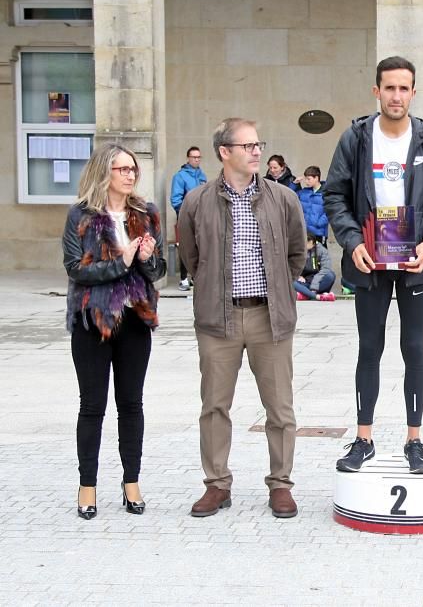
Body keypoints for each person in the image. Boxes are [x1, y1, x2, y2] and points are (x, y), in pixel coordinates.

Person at [324, 56, 423, 473]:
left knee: (413, 347)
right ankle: (363, 439)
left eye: (404, 88)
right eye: (389, 88)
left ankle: (414, 440)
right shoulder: (356, 139)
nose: (396, 96)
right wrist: (351, 243)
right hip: (369, 261)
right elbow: (335, 196)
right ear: (376, 91)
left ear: (414, 93)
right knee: (370, 347)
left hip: (414, 259)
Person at [178, 118, 307, 519]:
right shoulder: (197, 201)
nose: (256, 151)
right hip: (219, 319)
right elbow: (191, 257)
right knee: (214, 406)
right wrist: (212, 289)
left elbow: (296, 255)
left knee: (280, 409)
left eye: (258, 144)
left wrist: (280, 290)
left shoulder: (283, 198)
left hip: (270, 317)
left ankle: (281, 485)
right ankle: (217, 485)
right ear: (224, 152)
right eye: (248, 145)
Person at [63, 142, 166, 519]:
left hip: (135, 319)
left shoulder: (146, 213)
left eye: (132, 169)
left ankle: (132, 482)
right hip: (93, 320)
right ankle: (87, 486)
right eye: (122, 169)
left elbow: (158, 272)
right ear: (104, 172)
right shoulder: (81, 216)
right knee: (92, 406)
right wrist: (121, 262)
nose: (130, 175)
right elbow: (75, 269)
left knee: (132, 403)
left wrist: (146, 258)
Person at [170, 146, 207, 291]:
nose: (196, 159)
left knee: (199, 246)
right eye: (194, 157)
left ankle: (194, 277)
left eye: (199, 157)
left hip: (201, 216)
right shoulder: (180, 176)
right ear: (188, 158)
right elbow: (176, 199)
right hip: (186, 216)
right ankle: (183, 278)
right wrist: (185, 213)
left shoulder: (201, 175)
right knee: (185, 246)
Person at [296, 234, 336, 301]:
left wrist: (314, 286)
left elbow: (325, 269)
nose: (305, 245)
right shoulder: (298, 250)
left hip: (317, 281)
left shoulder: (321, 250)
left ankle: (306, 294)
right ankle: (317, 296)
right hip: (304, 282)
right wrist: (298, 276)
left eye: (307, 243)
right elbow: (293, 267)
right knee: (292, 282)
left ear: (312, 242)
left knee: (330, 275)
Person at [296, 166, 328, 244]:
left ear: (316, 178)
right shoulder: (303, 192)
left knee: (319, 254)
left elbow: (330, 211)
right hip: (305, 231)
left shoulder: (326, 193)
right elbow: (290, 197)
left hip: (319, 232)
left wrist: (319, 223)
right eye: (305, 179)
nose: (306, 182)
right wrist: (294, 184)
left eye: (308, 179)